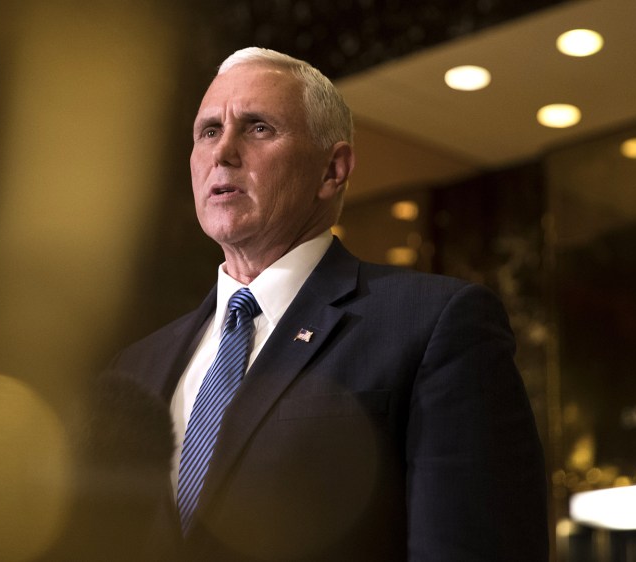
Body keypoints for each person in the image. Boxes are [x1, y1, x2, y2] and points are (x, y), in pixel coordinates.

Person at [102, 47, 548, 561]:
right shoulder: (133, 370)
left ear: (333, 170)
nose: (222, 152)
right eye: (208, 131)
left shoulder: (434, 325)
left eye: (257, 128)